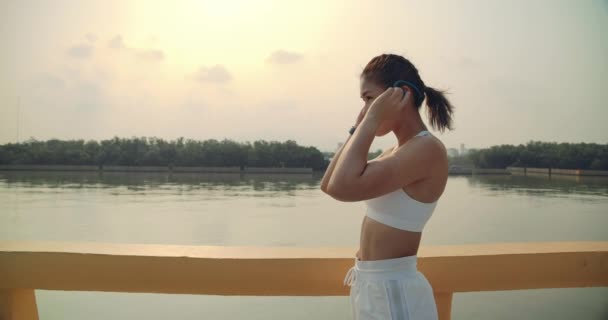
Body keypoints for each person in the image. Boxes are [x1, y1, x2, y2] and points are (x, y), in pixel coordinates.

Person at [320, 53, 454, 319]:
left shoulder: (426, 149)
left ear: (401, 94)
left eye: (369, 99)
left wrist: (369, 123)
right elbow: (328, 183)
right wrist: (358, 126)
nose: (366, 108)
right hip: (371, 285)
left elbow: (342, 188)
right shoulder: (395, 151)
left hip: (394, 290)